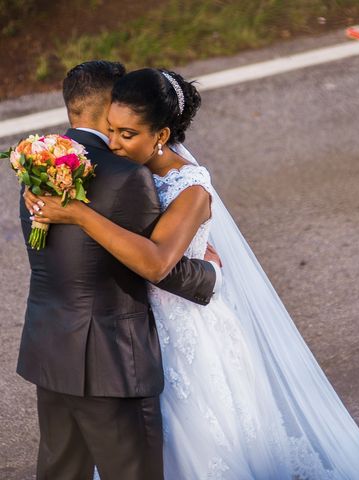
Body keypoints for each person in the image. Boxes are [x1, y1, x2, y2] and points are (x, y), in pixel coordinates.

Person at [26, 67, 359, 479]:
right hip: (137, 333)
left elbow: (156, 262)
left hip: (186, 332)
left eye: (126, 134)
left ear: (161, 135)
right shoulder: (116, 169)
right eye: (111, 130)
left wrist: (78, 213)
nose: (113, 143)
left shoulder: (190, 188)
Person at [18, 61, 220, 480]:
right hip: (113, 356)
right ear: (112, 105)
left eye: (126, 130)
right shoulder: (127, 177)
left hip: (50, 347)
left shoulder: (37, 164)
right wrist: (209, 274)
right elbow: (153, 265)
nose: (116, 137)